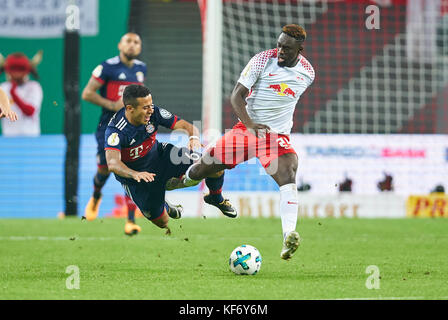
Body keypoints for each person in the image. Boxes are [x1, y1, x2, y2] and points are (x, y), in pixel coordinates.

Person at [182, 24, 315, 260]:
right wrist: (251, 124)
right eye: (279, 45)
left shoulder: (308, 73)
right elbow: (236, 95)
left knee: (288, 173)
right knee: (200, 170)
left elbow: (283, 101)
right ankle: (174, 185)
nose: (280, 51)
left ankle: (289, 235)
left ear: (300, 50)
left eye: (286, 48)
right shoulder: (263, 60)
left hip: (275, 136)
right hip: (246, 129)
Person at [105, 84, 236, 232]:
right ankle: (163, 203)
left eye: (151, 105)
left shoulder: (154, 112)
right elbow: (113, 163)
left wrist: (193, 137)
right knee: (163, 222)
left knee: (214, 164)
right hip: (138, 180)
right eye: (145, 107)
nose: (150, 111)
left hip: (161, 157)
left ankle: (216, 197)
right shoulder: (116, 130)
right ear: (130, 108)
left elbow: (186, 125)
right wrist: (135, 174)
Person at [81, 32, 147, 235]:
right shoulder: (107, 67)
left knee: (130, 169)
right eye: (128, 41)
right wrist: (111, 104)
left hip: (132, 128)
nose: (132, 45)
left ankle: (130, 221)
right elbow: (87, 93)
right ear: (120, 44)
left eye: (136, 42)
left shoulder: (140, 69)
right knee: (104, 169)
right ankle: (96, 195)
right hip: (108, 127)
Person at [0, 52, 43, 136]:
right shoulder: (3, 87)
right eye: (13, 70)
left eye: (20, 69)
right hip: (8, 138)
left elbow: (30, 112)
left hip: (31, 138)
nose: (17, 74)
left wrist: (13, 94)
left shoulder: (34, 87)